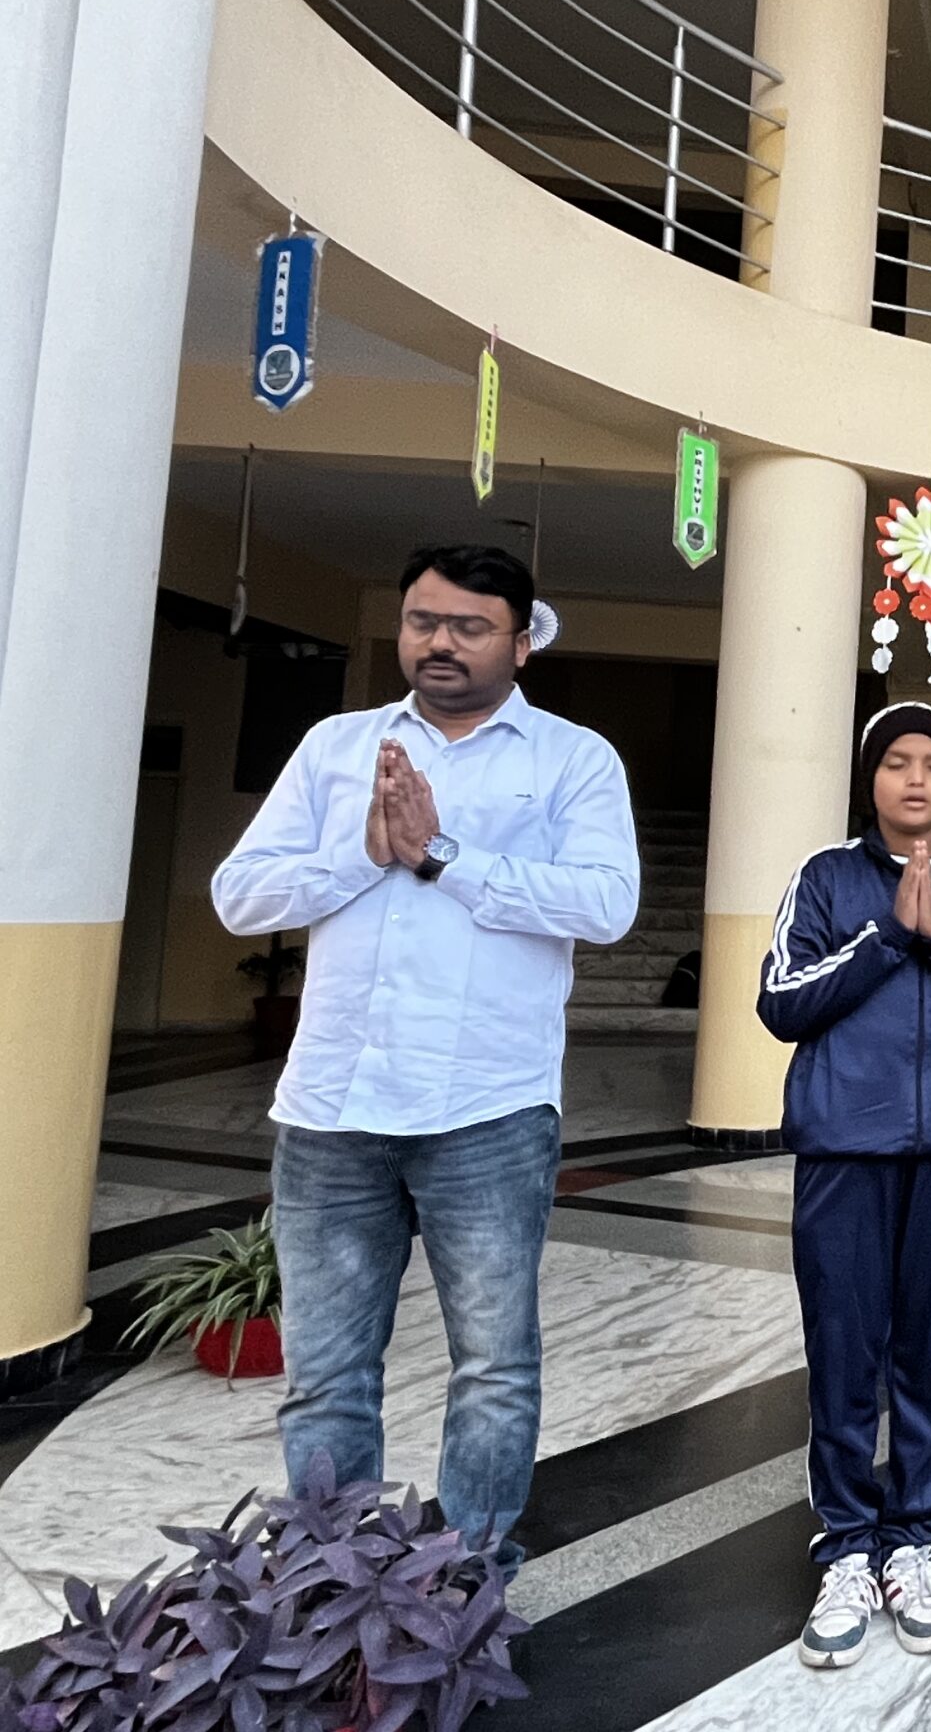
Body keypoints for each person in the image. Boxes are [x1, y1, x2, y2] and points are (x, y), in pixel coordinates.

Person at [211, 544, 638, 1578]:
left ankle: (466, 1576)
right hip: (332, 1112)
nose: (440, 642)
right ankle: (326, 1575)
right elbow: (240, 895)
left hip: (487, 1110)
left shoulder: (572, 760)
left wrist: (445, 857)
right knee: (325, 1374)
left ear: (522, 643)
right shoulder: (336, 748)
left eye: (469, 627)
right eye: (422, 621)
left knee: (492, 1368)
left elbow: (606, 904)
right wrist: (364, 850)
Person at [756, 702, 931, 1668]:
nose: (915, 780)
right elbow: (780, 1001)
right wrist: (886, 935)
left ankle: (914, 1539)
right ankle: (846, 1547)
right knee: (844, 1350)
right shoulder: (826, 877)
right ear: (870, 778)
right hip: (845, 1146)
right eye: (896, 763)